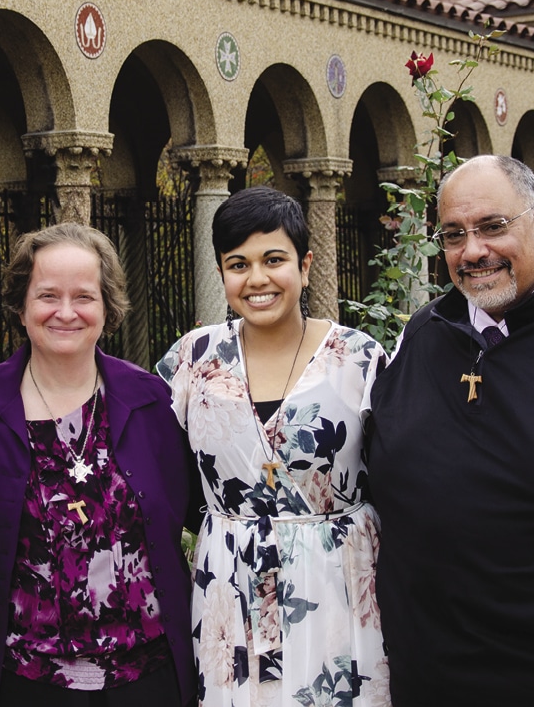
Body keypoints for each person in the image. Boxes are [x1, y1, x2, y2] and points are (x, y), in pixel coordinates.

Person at [367, 155, 534, 706]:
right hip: (429, 678)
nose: (473, 250)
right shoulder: (424, 336)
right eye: (454, 234)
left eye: (492, 226)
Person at [157, 186, 390, 706]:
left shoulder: (358, 359)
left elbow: (400, 470)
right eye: (237, 263)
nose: (256, 279)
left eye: (274, 259)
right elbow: (158, 465)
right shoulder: (194, 359)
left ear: (305, 267)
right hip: (229, 582)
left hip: (336, 582)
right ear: (221, 273)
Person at [0, 223, 196, 706]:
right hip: (24, 681)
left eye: (84, 296)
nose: (66, 312)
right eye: (47, 295)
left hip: (147, 678)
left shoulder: (150, 402)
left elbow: (194, 512)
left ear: (107, 308)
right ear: (21, 306)